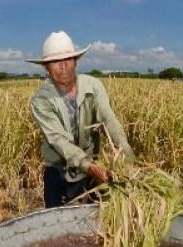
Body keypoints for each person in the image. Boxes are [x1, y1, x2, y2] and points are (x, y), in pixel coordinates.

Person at [27, 31, 133, 208]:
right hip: (59, 172)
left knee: (91, 220)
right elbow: (59, 141)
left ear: (76, 61)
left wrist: (127, 154)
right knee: (59, 223)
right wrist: (90, 167)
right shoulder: (41, 101)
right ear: (46, 66)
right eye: (55, 62)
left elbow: (109, 120)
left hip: (90, 169)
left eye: (68, 59)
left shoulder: (93, 86)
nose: (63, 66)